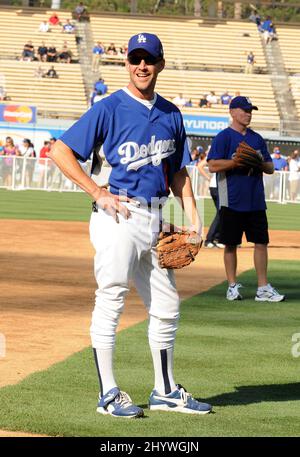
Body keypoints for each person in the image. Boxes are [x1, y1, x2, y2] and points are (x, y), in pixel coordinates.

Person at [48, 32, 212, 418]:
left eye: (149, 59)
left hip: (155, 219)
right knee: (112, 297)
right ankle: (108, 394)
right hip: (117, 216)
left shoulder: (172, 113)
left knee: (168, 306)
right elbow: (60, 150)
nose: (142, 66)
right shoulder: (110, 108)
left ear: (160, 64)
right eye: (135, 58)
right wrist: (96, 192)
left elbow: (179, 175)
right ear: (126, 63)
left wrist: (195, 222)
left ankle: (166, 391)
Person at [207, 96, 285, 302]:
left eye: (251, 110)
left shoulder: (257, 139)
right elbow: (212, 165)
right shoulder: (223, 137)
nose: (248, 113)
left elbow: (270, 168)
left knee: (261, 242)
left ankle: (263, 287)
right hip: (230, 199)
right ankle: (232, 286)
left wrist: (258, 162)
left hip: (255, 199)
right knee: (231, 244)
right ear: (232, 112)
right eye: (244, 110)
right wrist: (235, 162)